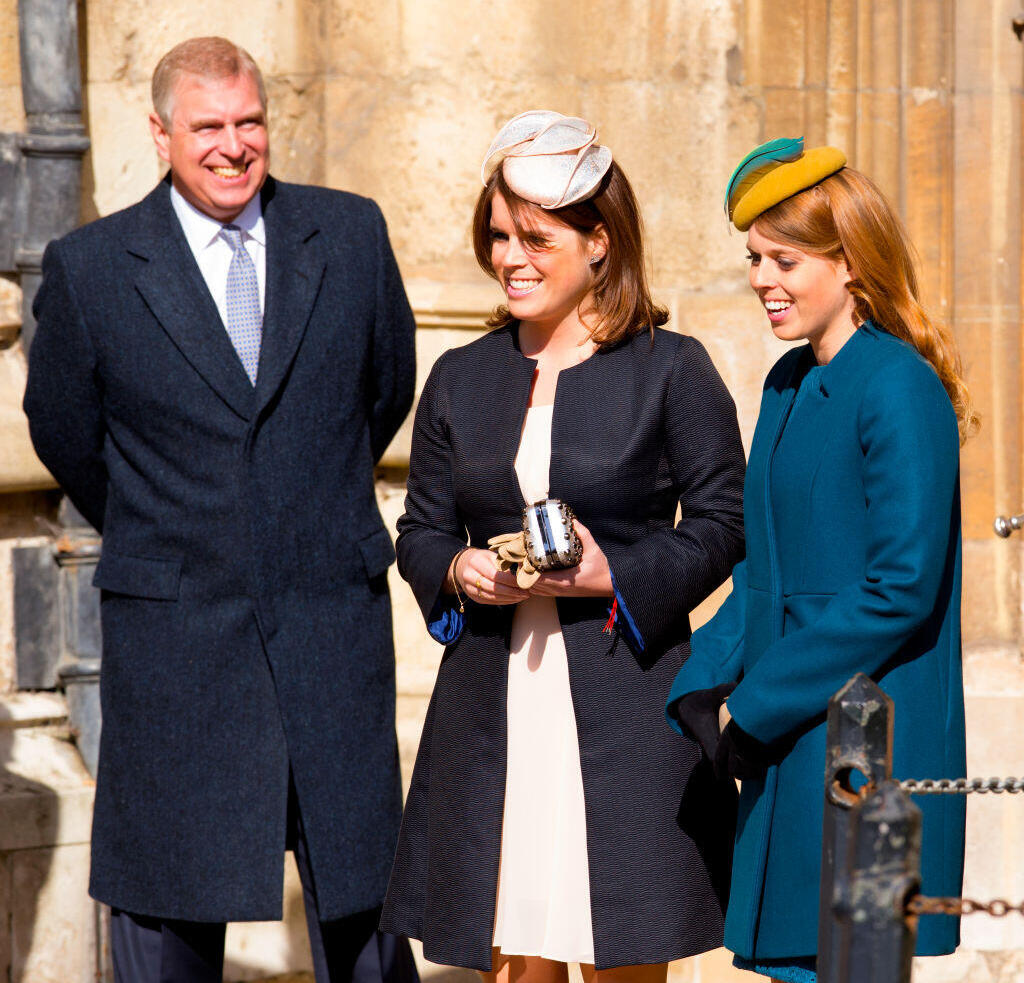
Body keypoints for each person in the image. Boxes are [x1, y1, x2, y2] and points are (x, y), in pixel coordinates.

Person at [23, 36, 418, 983]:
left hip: (331, 623)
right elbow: (64, 430)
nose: (233, 146)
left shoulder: (350, 234)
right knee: (167, 920)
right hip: (178, 638)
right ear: (160, 134)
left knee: (365, 908)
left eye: (250, 123)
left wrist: (300, 506)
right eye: (208, 127)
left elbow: (385, 389)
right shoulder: (91, 267)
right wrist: (176, 527)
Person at [380, 111, 746, 982]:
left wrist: (612, 573)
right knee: (514, 961)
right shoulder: (460, 376)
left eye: (537, 239)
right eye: (499, 235)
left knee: (620, 956)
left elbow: (725, 522)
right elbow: (420, 530)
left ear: (600, 243)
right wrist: (459, 569)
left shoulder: (672, 367)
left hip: (626, 708)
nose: (510, 256)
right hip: (492, 711)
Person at [666, 139, 974, 983]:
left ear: (850, 262)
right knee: (794, 964)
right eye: (755, 259)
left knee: (854, 965)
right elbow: (764, 570)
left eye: (785, 259)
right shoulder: (787, 382)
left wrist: (754, 703)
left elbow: (900, 588)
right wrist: (699, 678)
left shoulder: (899, 386)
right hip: (791, 736)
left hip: (871, 741)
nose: (764, 278)